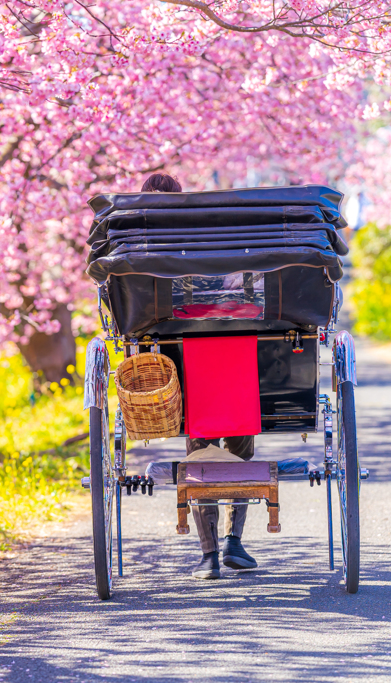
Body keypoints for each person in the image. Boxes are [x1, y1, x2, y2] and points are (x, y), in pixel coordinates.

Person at [140, 172, 259, 580]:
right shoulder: (208, 234)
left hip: (180, 353)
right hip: (235, 346)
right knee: (239, 442)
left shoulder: (137, 243)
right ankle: (230, 544)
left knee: (200, 444)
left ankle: (214, 551)